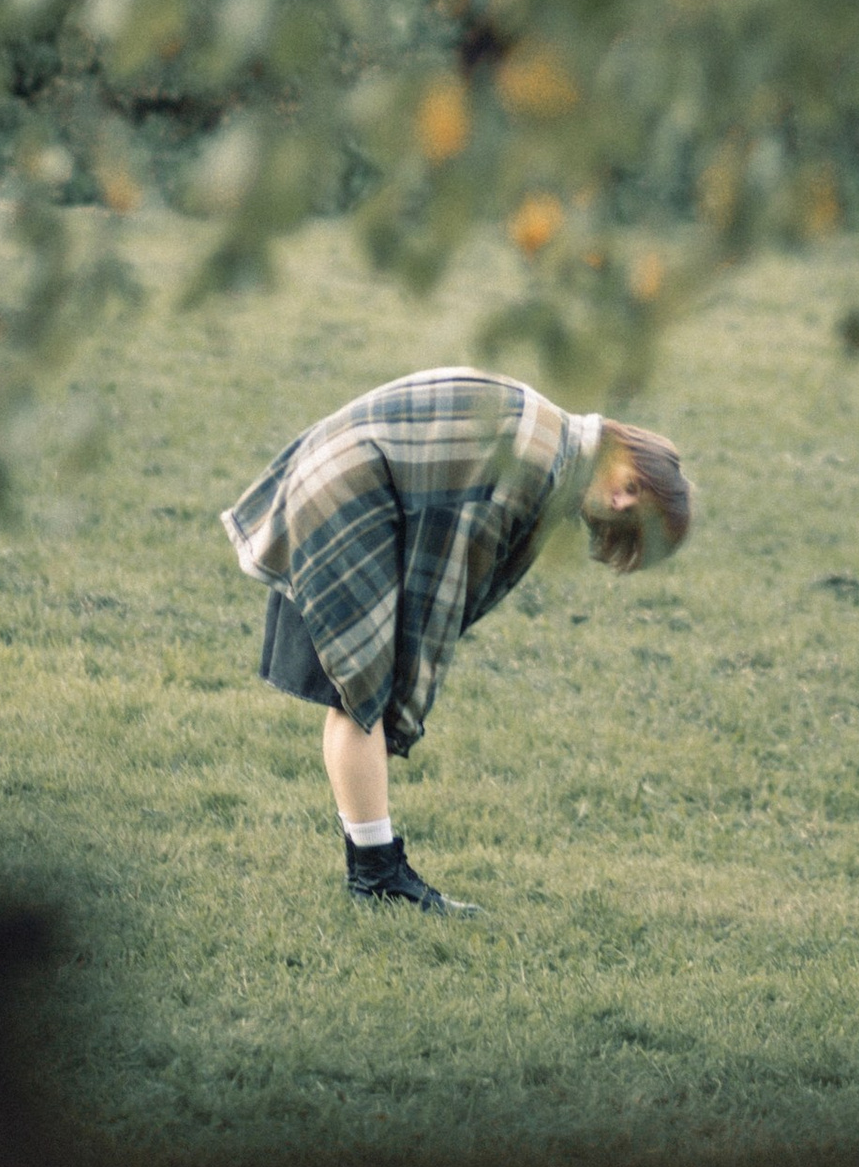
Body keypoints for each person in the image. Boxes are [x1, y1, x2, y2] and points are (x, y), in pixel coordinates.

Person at [222, 367, 693, 912]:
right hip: (345, 495)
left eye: (635, 516)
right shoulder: (537, 467)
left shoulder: (552, 444)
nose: (617, 504)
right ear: (620, 444)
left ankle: (373, 871)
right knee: (364, 697)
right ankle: (377, 878)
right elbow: (441, 583)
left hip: (341, 480)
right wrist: (407, 698)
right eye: (631, 486)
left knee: (355, 696)